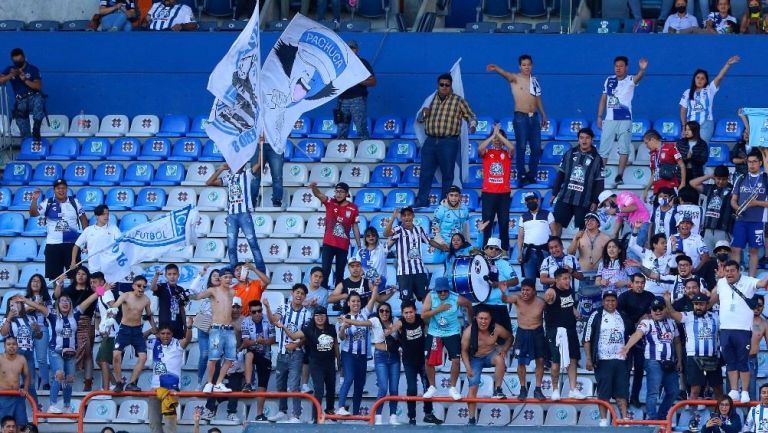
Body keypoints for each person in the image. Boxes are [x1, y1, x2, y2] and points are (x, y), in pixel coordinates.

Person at [414, 73, 478, 208]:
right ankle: (422, 200)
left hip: (448, 142)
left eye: (446, 85)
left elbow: (471, 116)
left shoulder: (458, 101)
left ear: (451, 86)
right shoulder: (430, 100)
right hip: (430, 140)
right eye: (441, 85)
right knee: (425, 172)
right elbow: (419, 119)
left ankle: (445, 202)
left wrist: (472, 125)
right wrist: (422, 114)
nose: (444, 87)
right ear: (437, 85)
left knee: (447, 174)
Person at [710, 260, 768, 403]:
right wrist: (717, 280)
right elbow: (711, 300)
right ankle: (734, 390)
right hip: (725, 329)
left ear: (738, 271)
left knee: (743, 362)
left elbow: (762, 284)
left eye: (732, 270)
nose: (729, 273)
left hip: (742, 329)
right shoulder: (722, 282)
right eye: (727, 270)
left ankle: (745, 392)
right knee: (730, 361)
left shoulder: (749, 281)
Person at [486, 55, 548, 186]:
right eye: (524, 65)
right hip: (521, 116)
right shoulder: (515, 78)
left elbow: (538, 99)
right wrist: (496, 68)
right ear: (520, 66)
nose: (527, 67)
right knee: (521, 146)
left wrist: (543, 114)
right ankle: (521, 175)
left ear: (532, 65)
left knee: (536, 147)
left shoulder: (534, 80)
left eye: (529, 64)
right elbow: (505, 74)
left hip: (534, 116)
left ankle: (532, 174)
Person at [620, 297, 682, 420]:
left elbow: (677, 342)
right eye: (654, 309)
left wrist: (679, 360)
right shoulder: (646, 323)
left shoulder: (671, 322)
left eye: (660, 308)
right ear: (651, 311)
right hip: (653, 361)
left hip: (669, 362)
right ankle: (652, 418)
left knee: (674, 391)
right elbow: (637, 334)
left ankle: (661, 416)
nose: (657, 311)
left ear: (665, 309)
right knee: (653, 392)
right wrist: (627, 347)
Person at [277, 305, 337, 422]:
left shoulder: (332, 328)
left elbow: (336, 346)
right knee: (319, 390)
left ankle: (329, 410)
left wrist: (339, 362)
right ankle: (316, 417)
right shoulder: (309, 329)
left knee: (331, 389)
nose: (320, 317)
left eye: (322, 315)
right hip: (316, 365)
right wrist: (283, 327)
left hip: (330, 364)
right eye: (317, 315)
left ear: (326, 316)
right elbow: (294, 336)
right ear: (313, 317)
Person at [263, 284, 311, 423]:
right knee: (280, 384)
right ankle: (282, 411)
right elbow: (274, 320)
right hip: (281, 353)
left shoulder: (307, 314)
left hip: (296, 354)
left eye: (302, 293)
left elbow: (306, 336)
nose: (299, 295)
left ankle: (296, 415)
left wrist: (295, 344)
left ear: (304, 297)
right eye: (297, 292)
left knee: (294, 385)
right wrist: (267, 307)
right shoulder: (283, 308)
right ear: (292, 293)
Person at [207, 162, 267, 272]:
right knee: (231, 247)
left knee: (253, 243)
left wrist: (261, 147)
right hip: (231, 216)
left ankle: (261, 272)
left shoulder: (247, 174)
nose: (237, 165)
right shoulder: (228, 178)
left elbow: (259, 163)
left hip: (244, 214)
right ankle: (235, 273)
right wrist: (220, 169)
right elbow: (208, 182)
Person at [596, 56, 648, 185]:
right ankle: (600, 175)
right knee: (604, 149)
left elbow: (638, 77)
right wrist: (599, 116)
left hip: (625, 119)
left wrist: (642, 70)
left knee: (624, 148)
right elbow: (603, 98)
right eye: (616, 66)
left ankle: (620, 175)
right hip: (609, 119)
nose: (618, 68)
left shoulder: (630, 79)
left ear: (626, 67)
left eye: (621, 66)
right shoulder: (609, 80)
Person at [584, 290, 632, 426]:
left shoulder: (623, 315)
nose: (610, 303)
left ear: (616, 301)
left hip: (621, 360)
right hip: (603, 360)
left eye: (613, 300)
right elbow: (587, 339)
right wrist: (588, 358)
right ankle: (603, 420)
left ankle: (624, 419)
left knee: (622, 391)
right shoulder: (596, 315)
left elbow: (632, 335)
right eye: (607, 300)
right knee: (604, 391)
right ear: (603, 301)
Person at [46, 290, 98, 413]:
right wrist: (25, 300)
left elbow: (90, 299)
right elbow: (38, 306)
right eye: (62, 301)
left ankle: (67, 406)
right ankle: (52, 405)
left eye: (67, 301)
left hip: (71, 353)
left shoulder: (75, 314)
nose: (65, 303)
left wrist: (102, 290)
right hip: (55, 351)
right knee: (59, 375)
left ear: (71, 304)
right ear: (58, 304)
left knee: (69, 379)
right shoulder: (53, 315)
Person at [665, 292, 722, 403]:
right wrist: (667, 300)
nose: (698, 307)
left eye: (701, 304)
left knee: (718, 389)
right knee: (695, 390)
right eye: (696, 304)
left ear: (707, 305)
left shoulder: (716, 317)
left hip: (713, 357)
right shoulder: (687, 316)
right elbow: (672, 313)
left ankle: (720, 415)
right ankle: (692, 416)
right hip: (694, 357)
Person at [422, 277, 474, 400]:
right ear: (436, 291)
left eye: (445, 291)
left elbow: (468, 304)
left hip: (452, 332)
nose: (443, 294)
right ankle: (432, 387)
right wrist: (438, 309)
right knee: (428, 360)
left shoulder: (456, 298)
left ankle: (453, 388)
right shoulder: (431, 296)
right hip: (435, 332)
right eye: (440, 291)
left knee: (456, 360)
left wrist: (471, 321)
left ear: (448, 290)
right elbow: (423, 315)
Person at [393, 301, 443, 425]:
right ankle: (412, 417)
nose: (409, 315)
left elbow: (431, 328)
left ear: (415, 311)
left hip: (423, 360)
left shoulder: (421, 320)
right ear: (402, 314)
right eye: (406, 313)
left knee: (428, 387)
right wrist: (390, 330)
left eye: (410, 312)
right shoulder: (400, 323)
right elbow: (393, 329)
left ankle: (428, 414)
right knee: (412, 388)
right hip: (409, 362)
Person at [461, 308, 512, 425]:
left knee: (500, 359)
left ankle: (498, 389)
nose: (483, 321)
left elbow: (510, 337)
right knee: (473, 387)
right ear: (476, 319)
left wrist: (504, 349)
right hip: (474, 358)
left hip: (490, 354)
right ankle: (471, 418)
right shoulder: (468, 332)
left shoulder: (496, 328)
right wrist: (467, 367)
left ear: (490, 320)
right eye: (481, 318)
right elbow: (463, 351)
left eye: (486, 319)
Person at [385, 206, 447, 302]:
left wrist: (442, 247)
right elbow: (386, 234)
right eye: (404, 215)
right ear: (401, 218)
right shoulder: (398, 230)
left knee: (425, 299)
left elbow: (429, 241)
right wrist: (393, 217)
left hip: (419, 271)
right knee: (406, 301)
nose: (407, 217)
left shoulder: (419, 229)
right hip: (404, 273)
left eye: (409, 215)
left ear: (413, 216)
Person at [29, 179, 88, 280]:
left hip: (72, 245)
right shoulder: (48, 202)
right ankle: (57, 296)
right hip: (53, 245)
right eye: (58, 188)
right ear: (54, 190)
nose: (61, 190)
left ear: (67, 189)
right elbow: (33, 213)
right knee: (55, 277)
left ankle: (73, 295)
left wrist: (87, 239)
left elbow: (83, 220)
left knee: (75, 275)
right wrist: (34, 200)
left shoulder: (75, 202)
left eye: (63, 188)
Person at [551, 128, 605, 236]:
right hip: (565, 197)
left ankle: (581, 252)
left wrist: (595, 201)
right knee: (556, 223)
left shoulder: (597, 159)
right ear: (578, 139)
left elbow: (599, 183)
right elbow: (560, 174)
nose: (584, 141)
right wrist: (554, 193)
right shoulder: (569, 153)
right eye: (581, 138)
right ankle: (555, 250)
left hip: (585, 200)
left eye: (587, 138)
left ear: (592, 140)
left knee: (583, 228)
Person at [191, 269, 237, 394]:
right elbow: (194, 295)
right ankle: (209, 382)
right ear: (221, 279)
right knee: (213, 358)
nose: (228, 279)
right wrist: (199, 275)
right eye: (225, 277)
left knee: (230, 358)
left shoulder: (233, 292)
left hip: (229, 329)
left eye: (230, 277)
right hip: (216, 328)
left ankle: (218, 383)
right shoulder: (213, 291)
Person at [543, 268, 586, 400]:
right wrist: (547, 297)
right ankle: (555, 389)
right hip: (555, 331)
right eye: (565, 278)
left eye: (569, 278)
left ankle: (573, 389)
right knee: (556, 362)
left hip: (570, 329)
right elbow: (546, 301)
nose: (568, 281)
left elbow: (568, 304)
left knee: (573, 360)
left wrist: (575, 312)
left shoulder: (570, 291)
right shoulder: (551, 292)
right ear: (557, 280)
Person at [310, 181, 361, 289]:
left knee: (340, 273)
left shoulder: (353, 208)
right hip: (328, 243)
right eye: (337, 191)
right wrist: (313, 187)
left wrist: (359, 245)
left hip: (343, 246)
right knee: (325, 271)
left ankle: (338, 302)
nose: (338, 194)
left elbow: (355, 227)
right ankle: (322, 299)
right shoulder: (330, 202)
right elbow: (318, 194)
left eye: (341, 192)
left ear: (347, 194)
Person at [0, 294, 48, 409]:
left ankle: (36, 407)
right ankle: (15, 406)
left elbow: (39, 336)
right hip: (14, 355)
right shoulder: (6, 319)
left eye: (16, 303)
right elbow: (4, 333)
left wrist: (38, 331)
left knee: (30, 383)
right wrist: (9, 318)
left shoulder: (31, 318)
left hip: (29, 354)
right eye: (11, 305)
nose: (14, 307)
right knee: (15, 382)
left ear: (22, 304)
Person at [617, 273, 657, 407]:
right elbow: (619, 315)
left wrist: (645, 318)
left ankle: (635, 397)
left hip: (642, 338)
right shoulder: (624, 297)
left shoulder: (649, 296)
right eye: (637, 282)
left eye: (642, 283)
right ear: (631, 283)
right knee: (625, 369)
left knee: (639, 369)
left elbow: (652, 313)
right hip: (625, 337)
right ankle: (624, 398)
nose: (640, 285)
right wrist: (632, 324)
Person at [503, 278, 547, 399]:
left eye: (527, 290)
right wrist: (502, 291)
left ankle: (538, 389)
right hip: (522, 332)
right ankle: (523, 388)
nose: (524, 293)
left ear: (534, 291)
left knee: (540, 361)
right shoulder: (517, 298)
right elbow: (505, 299)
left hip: (537, 333)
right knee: (520, 362)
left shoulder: (541, 302)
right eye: (523, 290)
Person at [679, 57, 740, 142]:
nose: (700, 80)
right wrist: (684, 126)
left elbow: (719, 77)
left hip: (706, 124)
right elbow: (683, 110)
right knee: (689, 148)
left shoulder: (709, 90)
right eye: (698, 77)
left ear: (706, 81)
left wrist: (728, 64)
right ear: (694, 79)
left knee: (701, 147)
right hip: (690, 125)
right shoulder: (687, 92)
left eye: (702, 78)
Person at [112, 275, 157, 392]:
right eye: (139, 286)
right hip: (124, 330)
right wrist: (102, 291)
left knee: (143, 357)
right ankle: (119, 382)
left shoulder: (146, 299)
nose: (141, 288)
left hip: (137, 331)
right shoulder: (125, 296)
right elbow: (113, 308)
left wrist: (155, 329)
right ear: (133, 286)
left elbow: (149, 315)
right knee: (116, 355)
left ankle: (132, 382)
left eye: (143, 286)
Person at [148, 319, 193, 433]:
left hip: (171, 390)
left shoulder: (177, 344)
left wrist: (189, 327)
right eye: (162, 333)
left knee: (170, 425)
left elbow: (187, 339)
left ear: (172, 334)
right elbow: (139, 338)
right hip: (154, 390)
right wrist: (150, 330)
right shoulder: (154, 343)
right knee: (154, 424)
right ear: (158, 334)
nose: (165, 336)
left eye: (168, 333)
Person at [334, 291, 373, 416]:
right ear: (348, 303)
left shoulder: (365, 315)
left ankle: (356, 413)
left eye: (358, 301)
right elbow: (342, 338)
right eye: (353, 301)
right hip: (348, 354)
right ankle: (340, 407)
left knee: (360, 384)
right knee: (348, 378)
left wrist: (376, 286)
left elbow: (373, 299)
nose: (356, 303)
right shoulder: (342, 318)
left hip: (362, 355)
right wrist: (343, 328)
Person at [730, 149, 768, 277]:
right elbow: (733, 200)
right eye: (749, 162)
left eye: (754, 162)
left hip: (757, 221)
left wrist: (756, 203)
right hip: (741, 220)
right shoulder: (741, 178)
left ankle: (751, 280)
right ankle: (735, 277)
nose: (751, 165)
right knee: (735, 249)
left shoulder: (765, 179)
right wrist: (737, 208)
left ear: (760, 163)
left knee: (753, 251)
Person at [58, 266, 97, 392]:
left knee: (87, 352)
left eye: (84, 274)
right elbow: (56, 296)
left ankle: (88, 382)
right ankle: (63, 379)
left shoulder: (91, 290)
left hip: (87, 323)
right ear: (75, 276)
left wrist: (101, 285)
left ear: (88, 276)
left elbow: (103, 291)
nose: (80, 276)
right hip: (70, 323)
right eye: (78, 273)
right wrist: (59, 283)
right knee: (68, 351)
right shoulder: (68, 290)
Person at [478, 123, 514, 250]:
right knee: (487, 222)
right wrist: (493, 135)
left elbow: (512, 147)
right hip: (488, 193)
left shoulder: (507, 153)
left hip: (504, 193)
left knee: (504, 222)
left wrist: (498, 134)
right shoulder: (488, 152)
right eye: (495, 139)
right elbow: (480, 148)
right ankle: (486, 248)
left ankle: (504, 249)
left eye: (499, 139)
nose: (497, 141)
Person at [0, 49, 44, 144]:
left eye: (19, 60)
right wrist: (11, 75)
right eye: (15, 61)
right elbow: (1, 80)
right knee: (23, 129)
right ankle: (28, 144)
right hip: (20, 100)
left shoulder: (32, 69)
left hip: (32, 97)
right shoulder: (10, 69)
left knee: (39, 99)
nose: (18, 62)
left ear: (24, 57)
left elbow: (38, 86)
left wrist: (25, 80)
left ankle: (36, 128)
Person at [241, 300, 275, 421]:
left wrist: (263, 341)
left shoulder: (268, 320)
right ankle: (248, 383)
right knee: (249, 354)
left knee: (262, 385)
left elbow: (272, 339)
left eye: (259, 311)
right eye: (254, 312)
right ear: (250, 312)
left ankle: (259, 413)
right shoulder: (245, 321)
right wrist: (257, 341)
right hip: (253, 351)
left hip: (266, 354)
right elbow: (245, 343)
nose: (257, 314)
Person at [690, 165, 735, 253]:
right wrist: (709, 176)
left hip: (723, 231)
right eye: (718, 179)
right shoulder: (710, 188)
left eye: (724, 179)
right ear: (714, 178)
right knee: (708, 258)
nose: (721, 182)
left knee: (723, 258)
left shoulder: (733, 190)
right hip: (708, 230)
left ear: (728, 177)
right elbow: (693, 183)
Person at [336, 40, 376, 140]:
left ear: (357, 50)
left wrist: (359, 81)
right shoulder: (339, 63)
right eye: (348, 48)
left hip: (357, 99)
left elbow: (373, 82)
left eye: (353, 48)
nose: (351, 50)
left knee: (360, 127)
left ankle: (365, 149)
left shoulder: (362, 63)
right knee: (341, 128)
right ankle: (339, 152)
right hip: (341, 99)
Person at [482, 237, 518, 334]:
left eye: (496, 249)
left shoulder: (504, 263)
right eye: (491, 248)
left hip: (499, 305)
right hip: (482, 305)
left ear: (500, 252)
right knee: (483, 340)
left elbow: (515, 281)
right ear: (486, 249)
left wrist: (499, 284)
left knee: (503, 338)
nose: (493, 250)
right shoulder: (479, 263)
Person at [628, 222, 675, 296]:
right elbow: (632, 245)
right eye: (663, 243)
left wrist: (673, 247)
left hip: (661, 293)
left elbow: (673, 265)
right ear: (655, 245)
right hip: (645, 292)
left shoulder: (669, 257)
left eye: (666, 243)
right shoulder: (646, 253)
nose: (665, 245)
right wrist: (636, 229)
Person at [71, 205, 120, 274]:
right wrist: (73, 261)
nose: (106, 216)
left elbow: (121, 243)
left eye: (107, 214)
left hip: (110, 269)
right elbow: (76, 246)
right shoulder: (88, 230)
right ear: (97, 216)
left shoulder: (114, 229)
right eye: (103, 214)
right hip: (94, 269)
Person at [24, 274, 52, 391]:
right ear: (30, 283)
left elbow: (49, 314)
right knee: (27, 357)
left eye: (38, 281)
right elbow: (21, 311)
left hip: (42, 328)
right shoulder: (25, 298)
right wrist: (34, 305)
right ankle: (29, 383)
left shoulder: (47, 299)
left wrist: (41, 305)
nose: (35, 283)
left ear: (42, 285)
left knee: (41, 358)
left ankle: (45, 382)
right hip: (27, 329)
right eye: (33, 281)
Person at [518, 191, 555, 278]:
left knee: (547, 280)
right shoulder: (523, 217)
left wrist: (552, 249)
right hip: (528, 252)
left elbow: (555, 232)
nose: (531, 202)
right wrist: (520, 253)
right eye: (528, 200)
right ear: (526, 203)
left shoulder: (548, 214)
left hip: (544, 251)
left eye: (532, 199)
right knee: (529, 281)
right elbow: (520, 237)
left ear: (537, 200)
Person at [643, 129, 687, 202]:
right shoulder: (652, 154)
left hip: (670, 187)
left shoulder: (670, 147)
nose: (646, 146)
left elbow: (682, 165)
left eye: (646, 143)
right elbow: (654, 174)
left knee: (671, 211)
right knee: (656, 212)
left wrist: (683, 183)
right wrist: (646, 190)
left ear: (653, 139)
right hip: (657, 189)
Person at [151, 264, 189, 341]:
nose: (172, 276)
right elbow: (153, 288)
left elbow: (182, 309)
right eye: (169, 274)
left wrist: (185, 326)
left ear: (178, 275)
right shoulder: (162, 287)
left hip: (178, 326)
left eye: (174, 274)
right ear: (166, 275)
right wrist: (156, 276)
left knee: (177, 350)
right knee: (164, 350)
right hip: (164, 328)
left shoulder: (180, 289)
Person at [0, 338, 29, 426]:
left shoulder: (22, 359)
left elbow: (27, 375)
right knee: (6, 426)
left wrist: (25, 389)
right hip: (3, 396)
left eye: (14, 344)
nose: (11, 346)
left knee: (22, 425)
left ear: (17, 346)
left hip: (17, 396)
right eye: (8, 344)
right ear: (4, 346)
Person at [250, 134, 284, 209]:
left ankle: (277, 203)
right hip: (257, 143)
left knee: (277, 176)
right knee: (254, 176)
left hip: (276, 144)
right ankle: (251, 203)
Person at [750, 296, 768, 401]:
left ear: (763, 307)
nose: (756, 308)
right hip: (736, 360)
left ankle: (749, 416)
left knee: (751, 393)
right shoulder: (740, 320)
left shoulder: (764, 324)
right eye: (754, 305)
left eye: (760, 305)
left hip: (751, 360)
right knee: (733, 394)